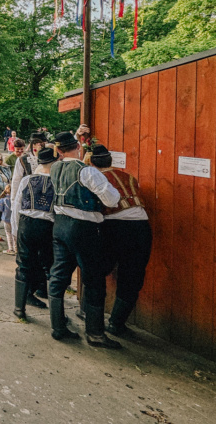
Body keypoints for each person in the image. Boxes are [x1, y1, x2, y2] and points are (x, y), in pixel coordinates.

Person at [47, 131, 121, 348]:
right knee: (94, 279)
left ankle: (58, 326)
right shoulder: (86, 171)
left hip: (59, 226)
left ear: (58, 151)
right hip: (84, 228)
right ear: (77, 147)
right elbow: (112, 198)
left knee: (58, 276)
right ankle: (95, 334)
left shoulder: (54, 168)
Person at [90, 144, 152, 337]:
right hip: (141, 227)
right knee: (132, 276)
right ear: (111, 160)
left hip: (113, 225)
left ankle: (90, 316)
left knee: (97, 270)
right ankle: (117, 323)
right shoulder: (129, 177)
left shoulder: (95, 178)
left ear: (92, 163)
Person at [11, 146, 58, 321]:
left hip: (26, 223)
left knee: (23, 263)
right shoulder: (57, 181)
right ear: (54, 163)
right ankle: (57, 317)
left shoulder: (28, 180)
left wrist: (16, 231)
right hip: (47, 225)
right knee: (51, 266)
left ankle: (19, 309)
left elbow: (17, 205)